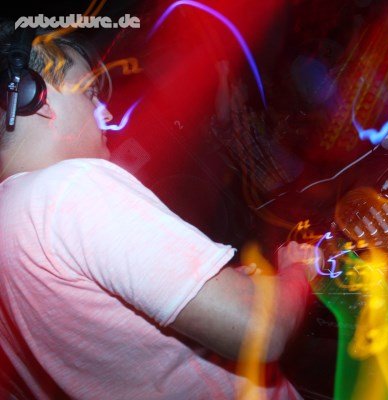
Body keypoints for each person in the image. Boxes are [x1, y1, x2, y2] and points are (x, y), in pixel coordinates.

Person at [0, 24, 318, 399]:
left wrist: (217, 293)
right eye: (88, 92)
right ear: (34, 96)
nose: (104, 112)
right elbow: (260, 332)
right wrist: (297, 270)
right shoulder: (69, 188)